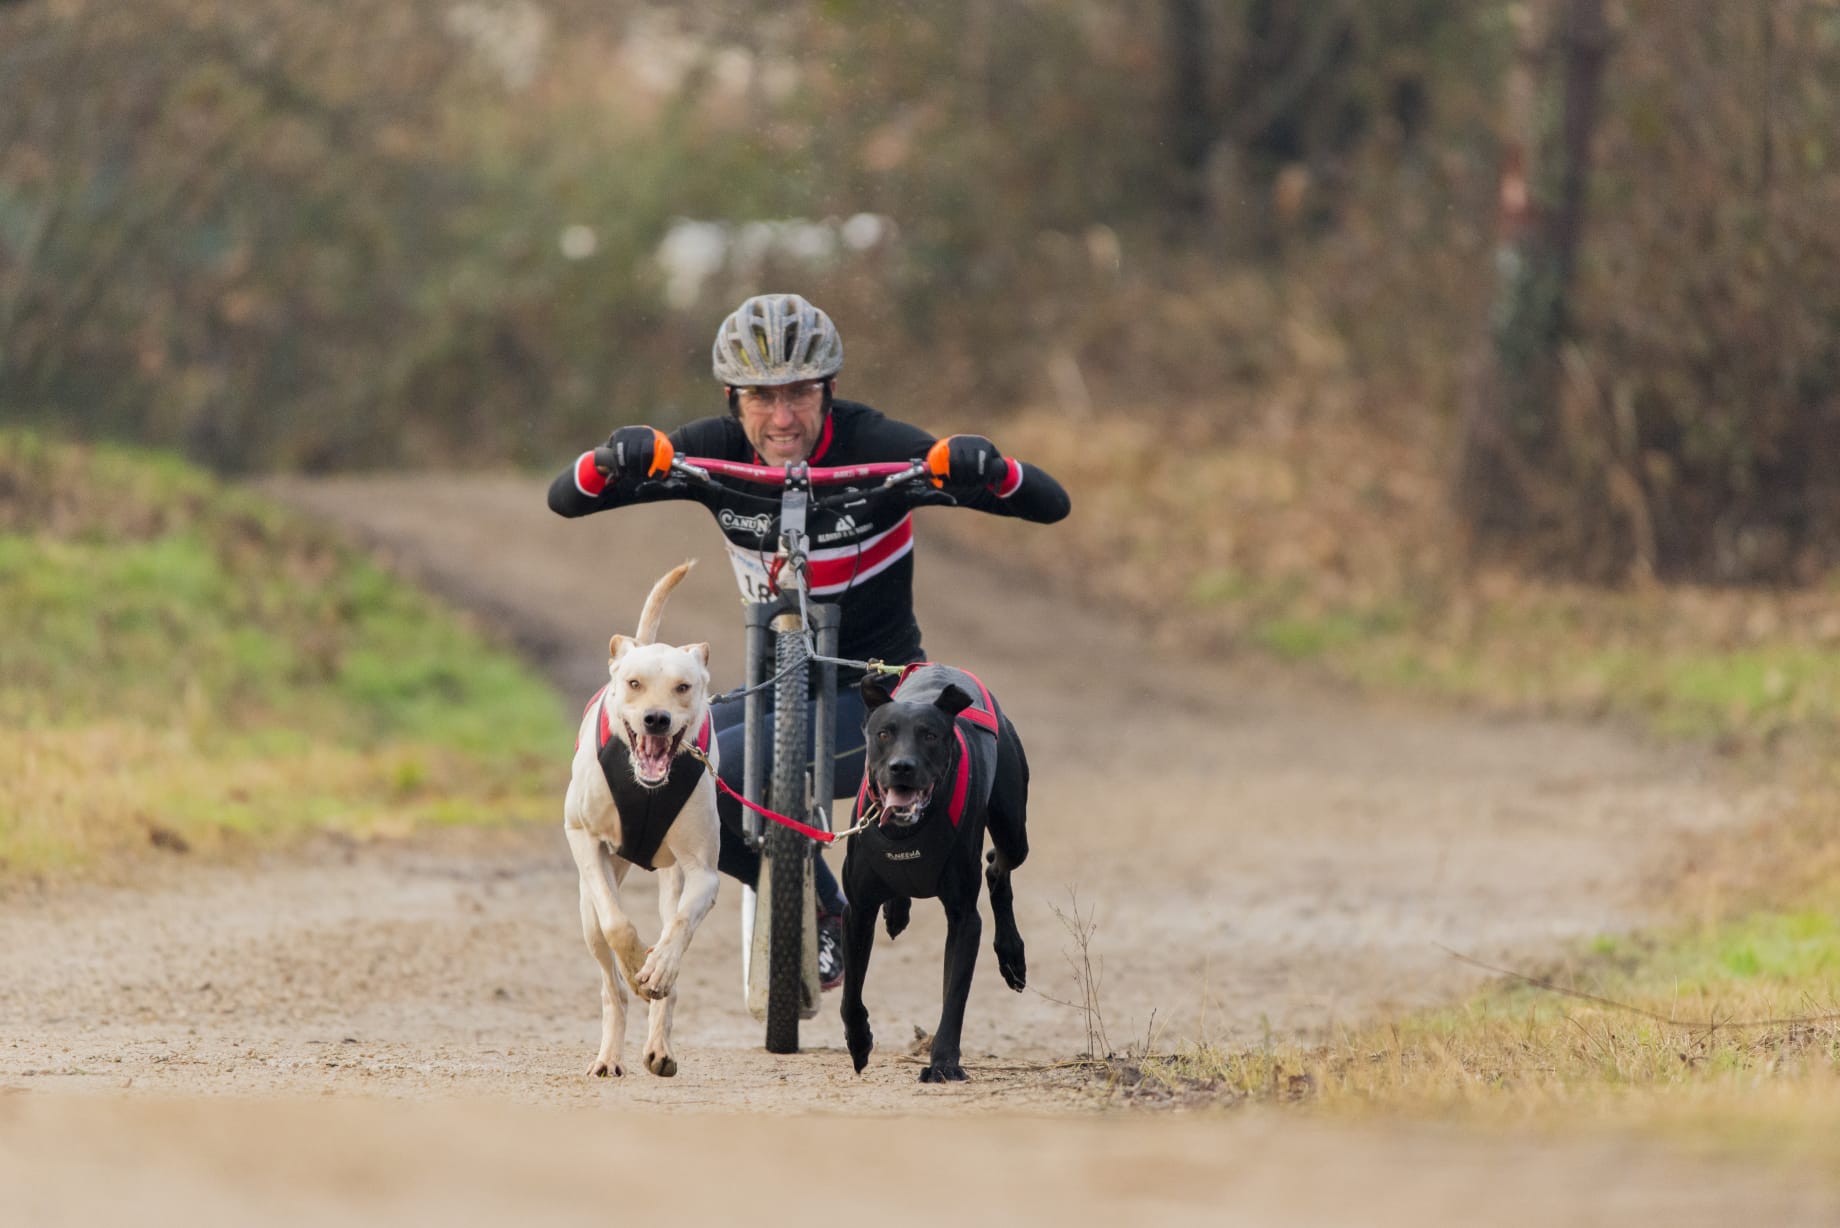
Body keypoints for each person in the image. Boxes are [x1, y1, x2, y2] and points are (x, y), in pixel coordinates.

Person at [547, 292, 1070, 989]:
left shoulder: (877, 446)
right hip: (772, 687)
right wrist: (621, 455)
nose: (782, 418)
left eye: (800, 393)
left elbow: (1050, 503)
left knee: (735, 769)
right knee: (679, 773)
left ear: (830, 389)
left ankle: (828, 906)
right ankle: (821, 902)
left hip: (876, 693)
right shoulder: (714, 448)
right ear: (732, 399)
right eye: (760, 398)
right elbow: (567, 497)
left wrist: (987, 467)